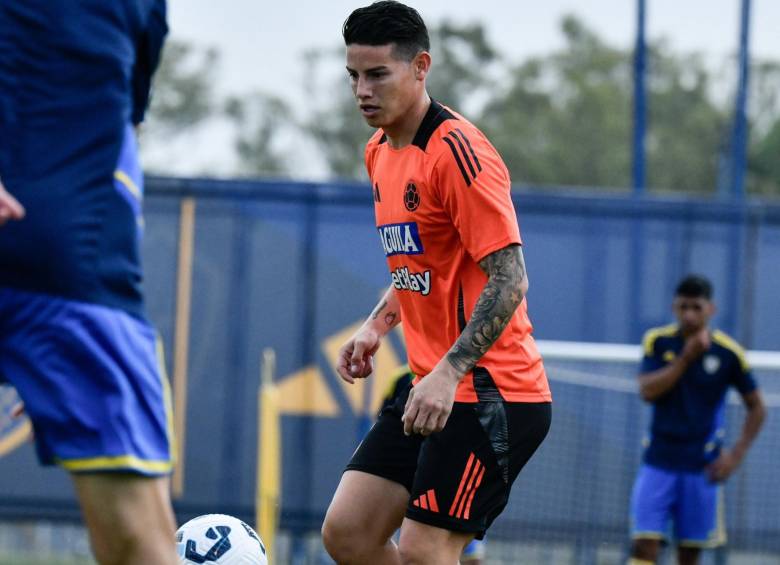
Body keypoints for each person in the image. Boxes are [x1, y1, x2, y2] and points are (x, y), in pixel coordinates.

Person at [321, 3, 552, 564]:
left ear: (420, 67)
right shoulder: (378, 152)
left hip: (491, 391)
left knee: (426, 551)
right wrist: (377, 326)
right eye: (354, 75)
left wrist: (449, 372)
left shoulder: (459, 152)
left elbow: (510, 278)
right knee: (348, 532)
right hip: (431, 385)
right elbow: (421, 263)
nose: (362, 90)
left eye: (378, 74)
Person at [0, 2, 177, 564]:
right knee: (138, 540)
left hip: (67, 262)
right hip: (73, 269)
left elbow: (121, 119)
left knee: (138, 537)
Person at [628, 275, 766, 565]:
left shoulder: (728, 353)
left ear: (710, 310)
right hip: (659, 461)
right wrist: (685, 359)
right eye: (683, 307)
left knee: (689, 553)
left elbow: (757, 407)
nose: (689, 314)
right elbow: (647, 390)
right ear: (674, 307)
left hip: (701, 467)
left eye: (696, 307)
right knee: (644, 546)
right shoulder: (659, 341)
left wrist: (735, 456)